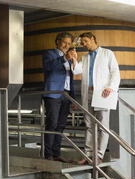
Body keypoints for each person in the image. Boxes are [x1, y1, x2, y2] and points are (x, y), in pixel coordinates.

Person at [69, 32, 120, 165]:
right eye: (82, 43)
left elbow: (115, 71)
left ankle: (98, 156)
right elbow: (76, 71)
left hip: (102, 93)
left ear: (93, 39)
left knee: (103, 126)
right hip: (88, 93)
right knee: (89, 125)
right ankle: (87, 155)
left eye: (86, 41)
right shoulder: (85, 58)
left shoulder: (107, 53)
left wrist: (110, 87)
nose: (84, 44)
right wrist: (74, 59)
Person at [42, 32, 76, 163]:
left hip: (66, 94)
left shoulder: (69, 58)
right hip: (53, 93)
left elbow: (70, 79)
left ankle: (56, 154)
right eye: (64, 43)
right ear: (57, 42)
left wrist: (73, 98)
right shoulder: (49, 54)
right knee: (52, 123)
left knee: (61, 125)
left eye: (69, 44)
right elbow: (49, 67)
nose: (67, 46)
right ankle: (48, 154)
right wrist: (64, 58)